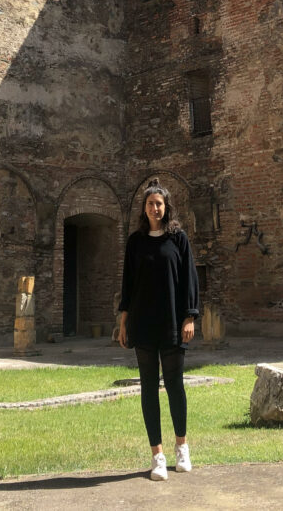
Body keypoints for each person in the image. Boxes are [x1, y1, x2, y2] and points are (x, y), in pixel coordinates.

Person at [118, 181, 200, 481]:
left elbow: (190, 279)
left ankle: (182, 447)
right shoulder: (135, 242)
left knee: (175, 385)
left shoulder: (178, 240)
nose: (155, 208)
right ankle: (157, 455)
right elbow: (127, 283)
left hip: (172, 322)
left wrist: (190, 316)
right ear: (144, 208)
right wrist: (123, 321)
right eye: (150, 203)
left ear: (166, 208)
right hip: (142, 322)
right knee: (149, 388)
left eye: (160, 204)